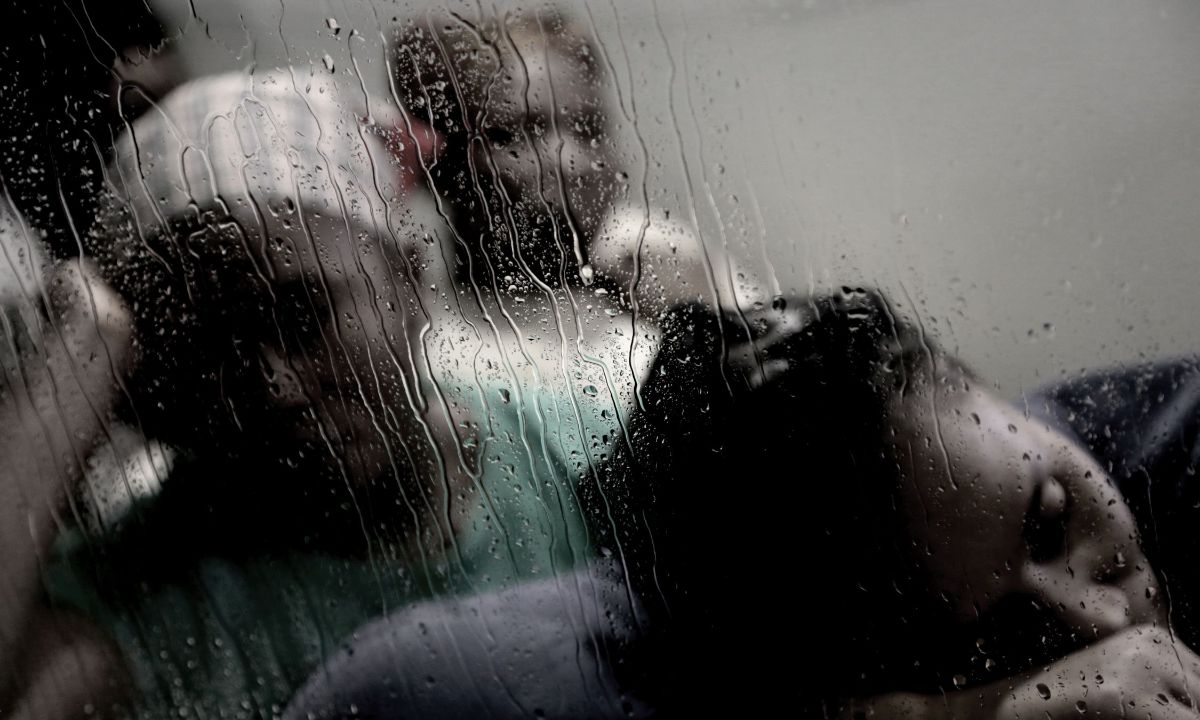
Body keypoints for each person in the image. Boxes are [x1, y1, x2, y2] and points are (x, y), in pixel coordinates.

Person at [285, 288, 1200, 719]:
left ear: (996, 397)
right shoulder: (451, 678)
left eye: (1051, 517)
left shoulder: (1175, 443)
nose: (1107, 615)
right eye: (992, 644)